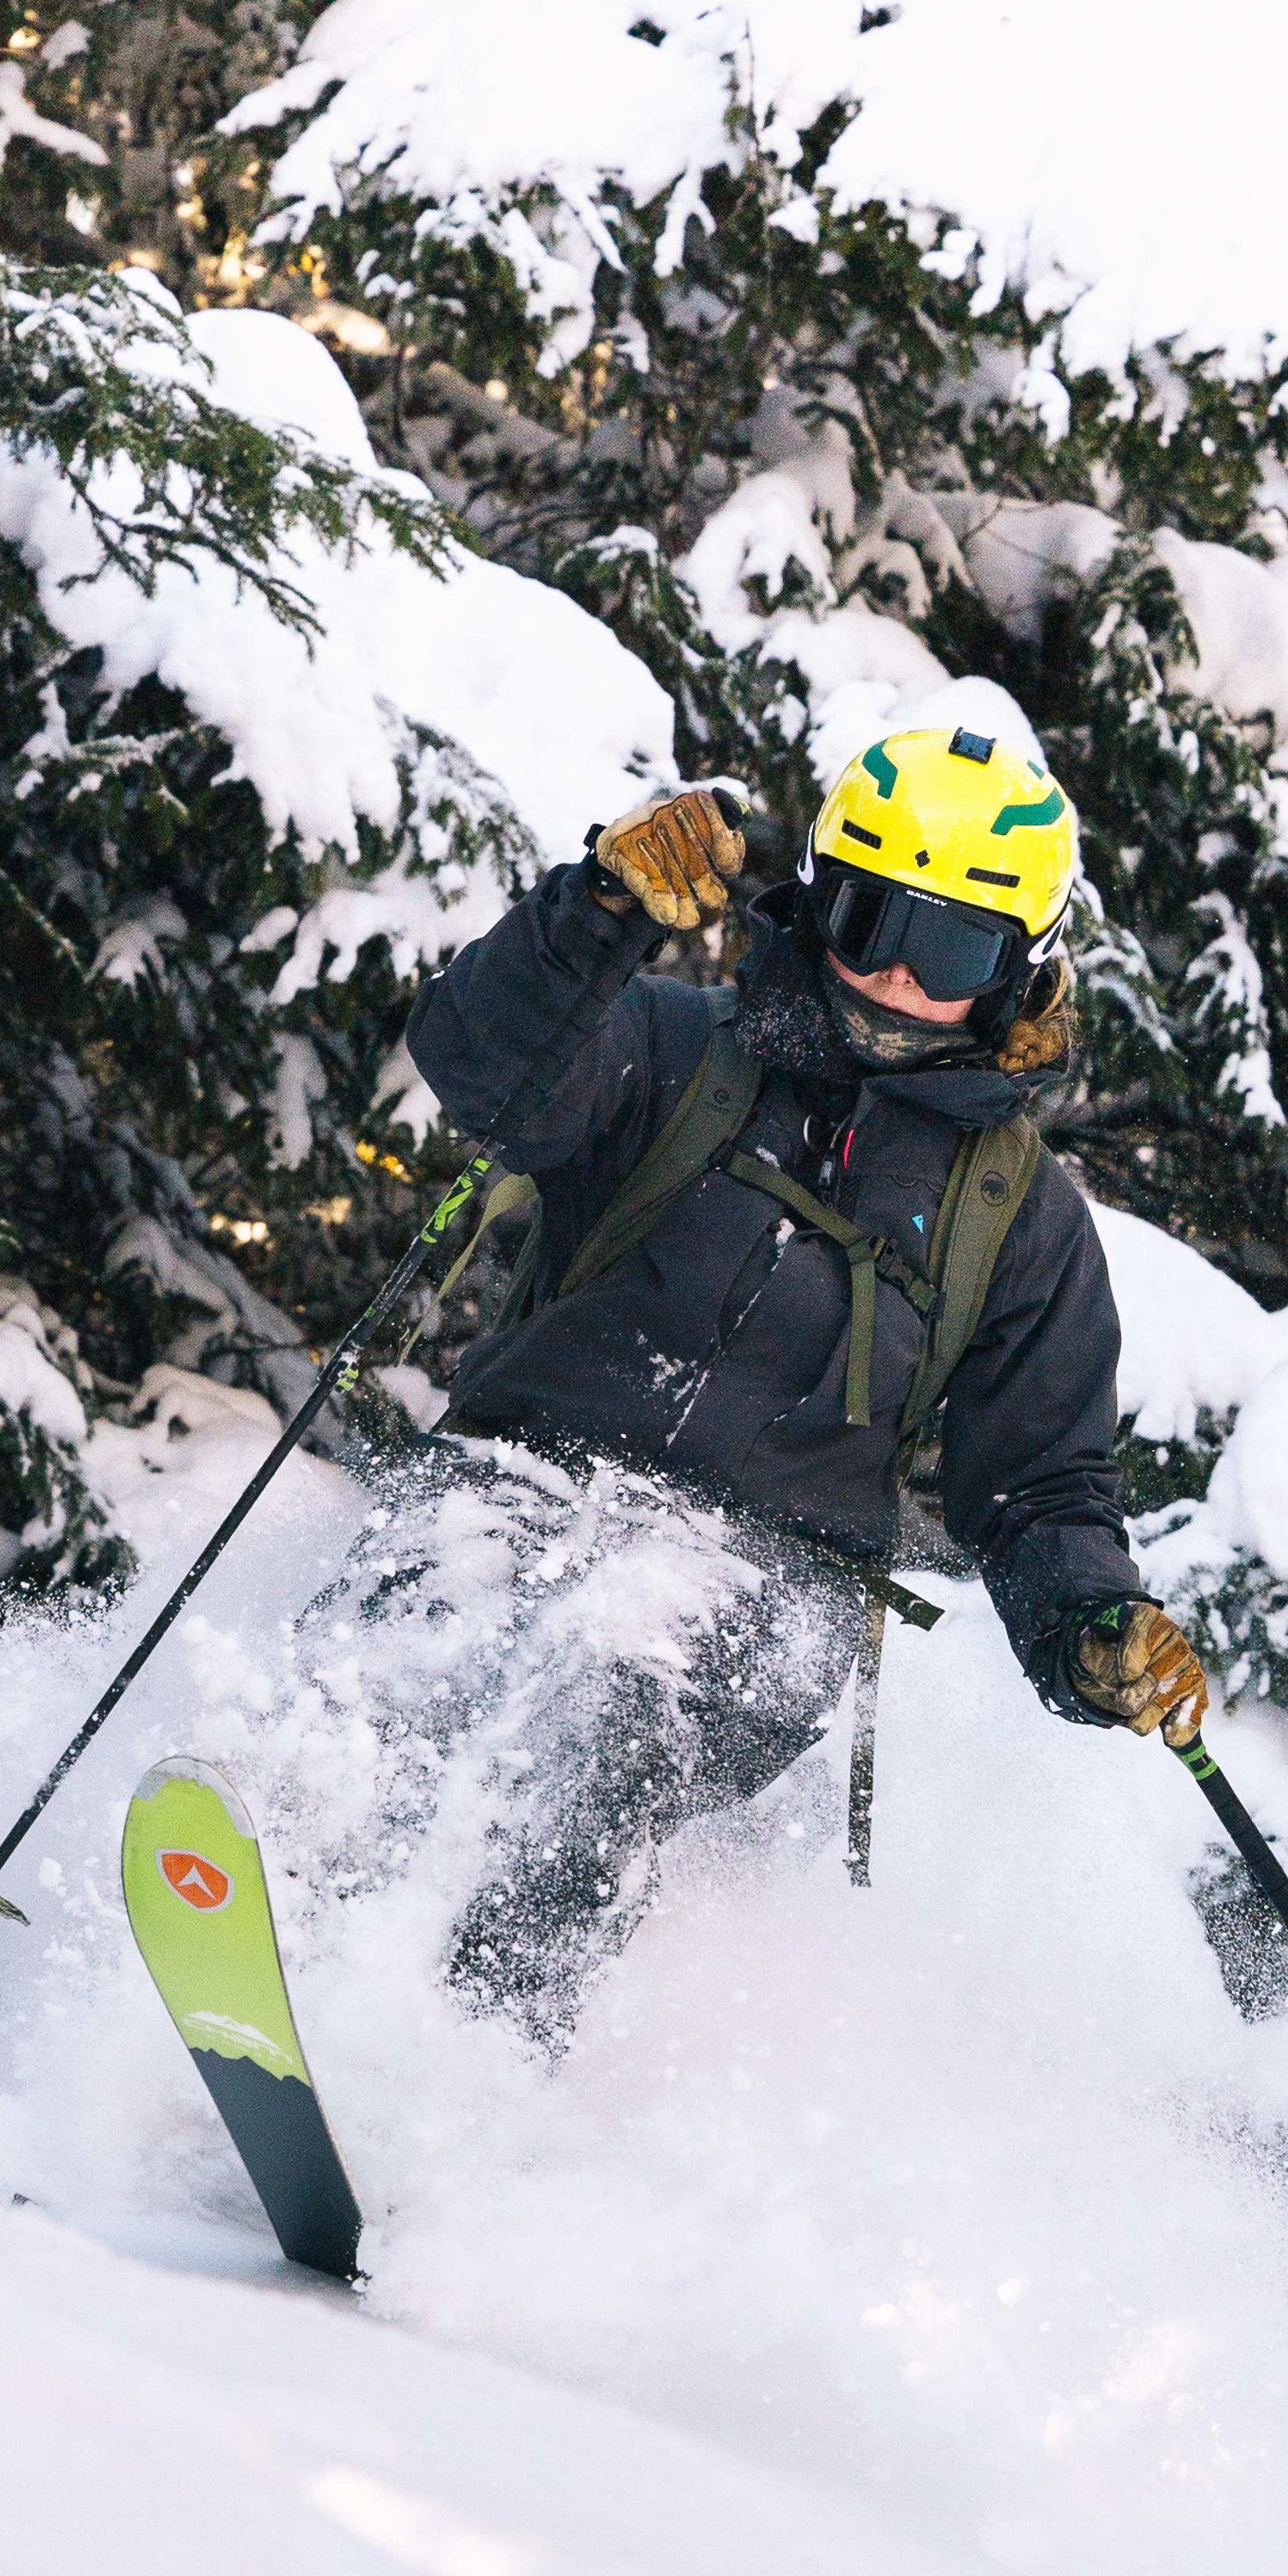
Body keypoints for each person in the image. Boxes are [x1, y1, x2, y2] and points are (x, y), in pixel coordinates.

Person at [390, 728, 1208, 2029]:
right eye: (869, 916)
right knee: (410, 1651)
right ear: (821, 895)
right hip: (525, 1472)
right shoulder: (669, 1046)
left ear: (1017, 975)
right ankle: (283, 1939)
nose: (892, 971)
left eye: (949, 951)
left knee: (611, 1712)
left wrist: (1091, 1627)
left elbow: (1043, 1486)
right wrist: (597, 911)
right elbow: (482, 1067)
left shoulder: (1021, 1219)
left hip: (773, 1576)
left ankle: (463, 2058)